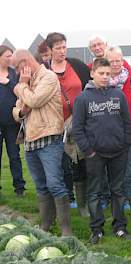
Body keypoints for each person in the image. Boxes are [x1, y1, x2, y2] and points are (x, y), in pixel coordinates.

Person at [11, 50, 72, 237]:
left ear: (25, 62)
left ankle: (66, 230)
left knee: (55, 184)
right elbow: (16, 110)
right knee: (40, 185)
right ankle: (46, 226)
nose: (16, 71)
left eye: (17, 67)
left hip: (49, 138)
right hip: (30, 140)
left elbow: (35, 101)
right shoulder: (27, 82)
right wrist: (22, 111)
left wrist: (21, 87)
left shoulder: (48, 77)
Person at [73, 58, 131, 244]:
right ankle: (96, 230)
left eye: (108, 74)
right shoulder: (83, 98)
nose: (105, 77)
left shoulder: (118, 94)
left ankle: (120, 227)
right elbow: (78, 128)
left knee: (118, 190)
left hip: (118, 152)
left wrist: (125, 143)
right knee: (95, 192)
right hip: (95, 154)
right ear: (92, 74)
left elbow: (126, 122)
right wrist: (89, 151)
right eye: (101, 73)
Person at [45, 32, 90, 217]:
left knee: (80, 164)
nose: (62, 51)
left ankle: (83, 206)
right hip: (54, 124)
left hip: (79, 123)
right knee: (60, 166)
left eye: (64, 47)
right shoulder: (44, 70)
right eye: (58, 48)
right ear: (49, 50)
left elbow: (90, 86)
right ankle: (63, 203)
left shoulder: (77, 66)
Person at [105, 46, 131, 222]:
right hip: (108, 137)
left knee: (129, 174)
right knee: (112, 175)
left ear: (123, 61)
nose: (115, 64)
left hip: (130, 137)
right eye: (111, 61)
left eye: (118, 60)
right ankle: (116, 210)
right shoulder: (102, 84)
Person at [0, 45, 26, 197]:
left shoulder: (13, 74)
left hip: (11, 122)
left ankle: (19, 187)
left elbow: (20, 91)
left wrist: (7, 82)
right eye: (7, 56)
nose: (10, 59)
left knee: (14, 155)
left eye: (11, 56)